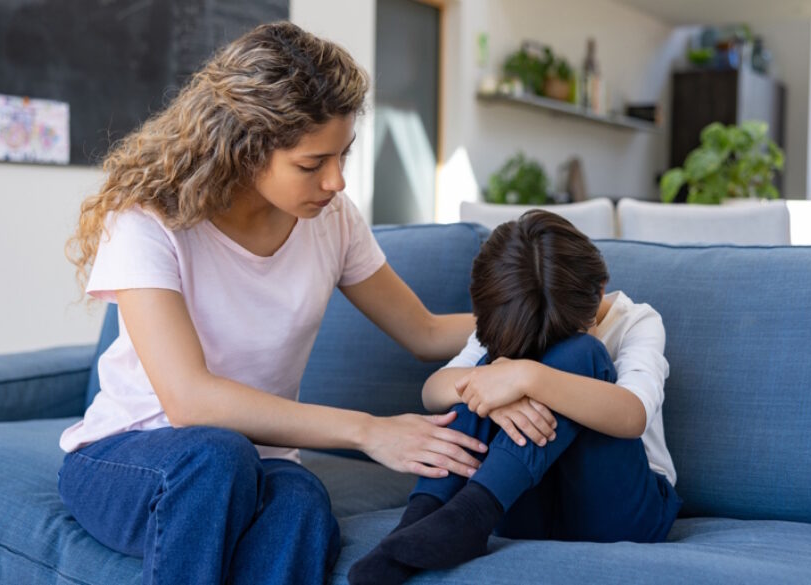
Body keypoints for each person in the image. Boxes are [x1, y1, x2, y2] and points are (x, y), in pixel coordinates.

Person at [57, 21, 491, 585]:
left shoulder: (333, 220)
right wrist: (369, 430)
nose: (336, 181)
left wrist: (558, 319)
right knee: (216, 457)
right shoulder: (147, 220)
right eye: (312, 164)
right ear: (242, 147)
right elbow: (188, 401)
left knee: (301, 501)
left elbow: (426, 332)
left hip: (258, 461)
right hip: (130, 459)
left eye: (343, 155)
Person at [350, 210, 684, 584]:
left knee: (582, 354)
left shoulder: (636, 321)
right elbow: (434, 389)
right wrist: (495, 379)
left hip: (621, 513)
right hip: (527, 501)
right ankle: (423, 518)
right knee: (478, 375)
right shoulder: (510, 315)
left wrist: (526, 375)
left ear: (601, 289)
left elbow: (633, 414)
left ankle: (474, 513)